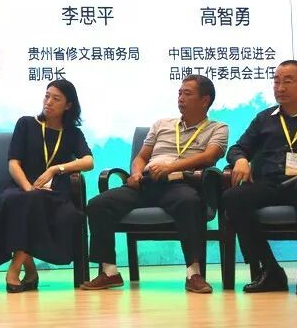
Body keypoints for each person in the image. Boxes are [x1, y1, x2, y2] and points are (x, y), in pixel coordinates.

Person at [81, 75, 228, 293]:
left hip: (181, 184)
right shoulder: (162, 125)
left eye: (187, 94)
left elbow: (210, 156)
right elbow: (141, 157)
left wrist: (171, 167)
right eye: (179, 93)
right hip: (147, 182)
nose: (180, 98)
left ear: (205, 100)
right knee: (98, 204)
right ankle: (109, 272)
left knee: (189, 202)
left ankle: (194, 274)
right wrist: (136, 174)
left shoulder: (218, 128)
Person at [0, 80, 93, 292]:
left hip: (54, 193)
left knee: (32, 206)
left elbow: (88, 162)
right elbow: (13, 164)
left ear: (68, 105)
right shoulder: (26, 124)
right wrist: (29, 188)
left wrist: (56, 169)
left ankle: (14, 270)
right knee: (15, 206)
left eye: (56, 99)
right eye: (47, 96)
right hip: (21, 187)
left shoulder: (72, 133)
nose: (48, 102)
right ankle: (29, 269)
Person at [223, 60, 297, 295]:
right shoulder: (265, 118)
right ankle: (270, 270)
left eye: (287, 81)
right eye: (276, 81)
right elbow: (237, 148)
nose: (280, 87)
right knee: (233, 197)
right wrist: (241, 160)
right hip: (270, 184)